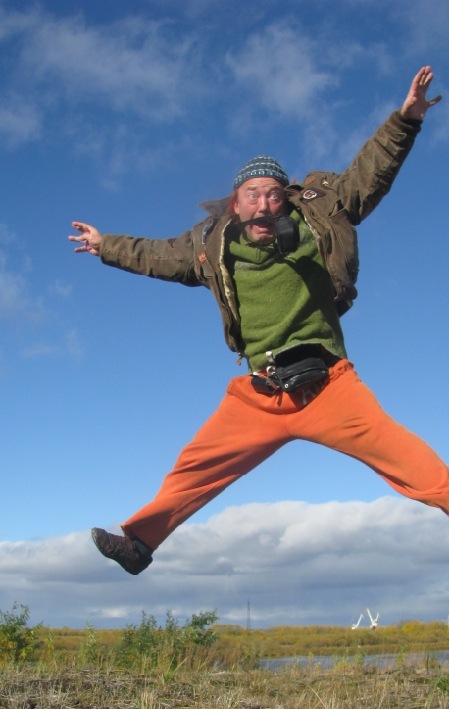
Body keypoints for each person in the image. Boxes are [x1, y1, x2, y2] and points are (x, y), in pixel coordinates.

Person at [69, 66, 447, 577]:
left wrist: (406, 121)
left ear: (285, 197)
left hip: (329, 386)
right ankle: (138, 544)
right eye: (253, 195)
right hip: (260, 394)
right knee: (195, 465)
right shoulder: (211, 244)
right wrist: (104, 245)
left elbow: (367, 173)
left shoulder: (320, 216)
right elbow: (156, 255)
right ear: (236, 203)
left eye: (273, 194)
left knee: (406, 457)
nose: (264, 204)